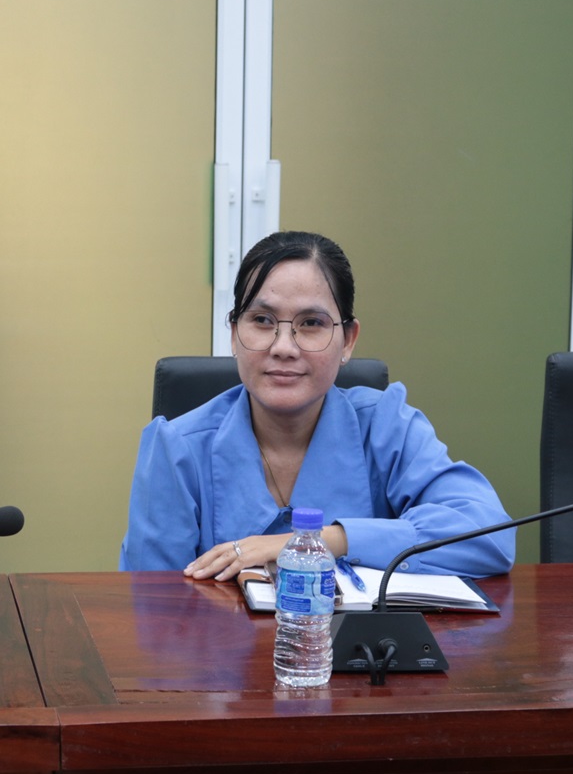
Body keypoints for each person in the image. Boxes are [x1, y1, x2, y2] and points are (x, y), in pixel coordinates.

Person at [119, 230, 514, 580]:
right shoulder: (176, 449)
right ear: (234, 335)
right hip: (219, 644)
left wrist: (324, 540)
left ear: (349, 340)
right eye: (262, 320)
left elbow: (489, 536)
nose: (284, 347)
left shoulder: (387, 426)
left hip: (362, 642)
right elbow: (151, 609)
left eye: (311, 323)